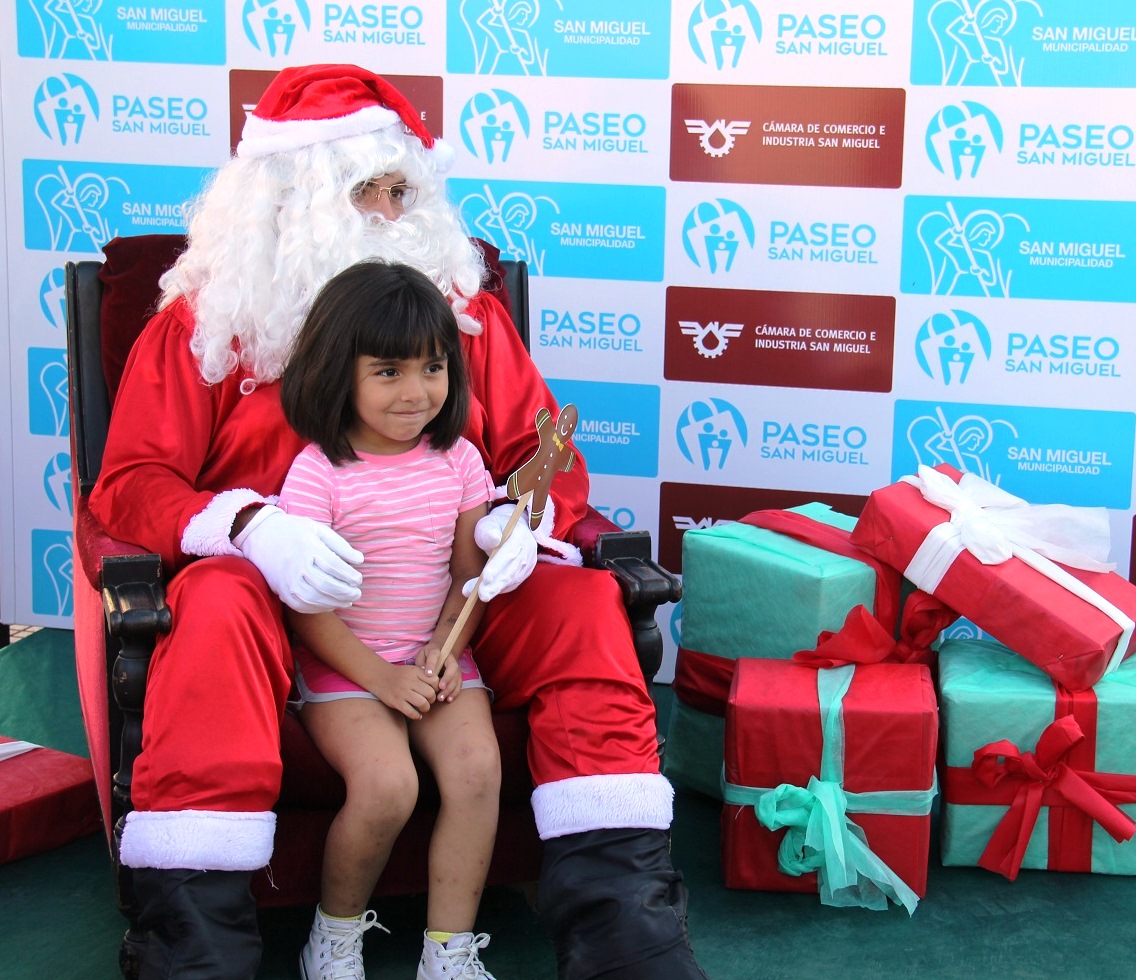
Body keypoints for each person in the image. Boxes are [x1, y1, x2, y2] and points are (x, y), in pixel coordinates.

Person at [89, 62, 706, 979]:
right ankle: (194, 946)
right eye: (364, 190)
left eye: (402, 189)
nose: (388, 210)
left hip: (449, 591)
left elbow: (543, 461)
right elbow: (132, 483)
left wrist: (515, 525)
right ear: (288, 196)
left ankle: (625, 932)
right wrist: (253, 526)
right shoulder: (205, 323)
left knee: (579, 603)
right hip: (278, 605)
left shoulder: (466, 319)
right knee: (215, 599)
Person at [278, 261, 500, 979]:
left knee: (476, 771)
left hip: (437, 656)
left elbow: (468, 578)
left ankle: (449, 952)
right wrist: (383, 677)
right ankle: (336, 937)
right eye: (388, 372)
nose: (416, 392)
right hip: (347, 662)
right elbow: (307, 608)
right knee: (387, 787)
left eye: (432, 367)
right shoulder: (317, 473)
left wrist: (441, 648)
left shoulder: (461, 460)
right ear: (337, 372)